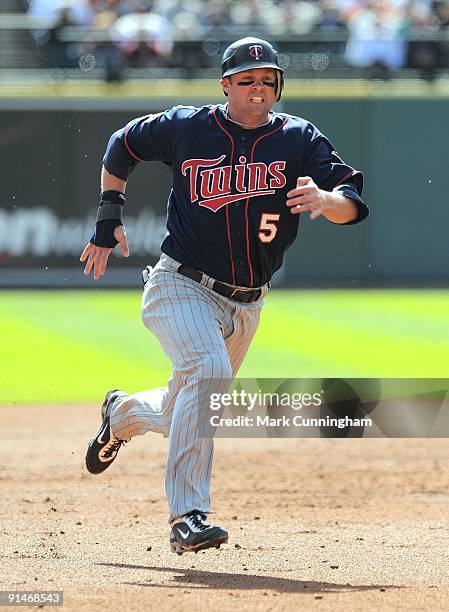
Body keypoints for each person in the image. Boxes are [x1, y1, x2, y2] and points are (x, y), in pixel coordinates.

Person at [80, 37, 369, 555]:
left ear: (277, 86)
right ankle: (186, 515)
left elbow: (352, 202)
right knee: (208, 373)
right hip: (180, 283)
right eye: (246, 80)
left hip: (248, 301)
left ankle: (120, 414)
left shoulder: (299, 138)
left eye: (267, 80)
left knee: (183, 407)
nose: (257, 88)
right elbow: (121, 146)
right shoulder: (188, 126)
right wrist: (108, 216)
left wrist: (327, 200)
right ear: (225, 85)